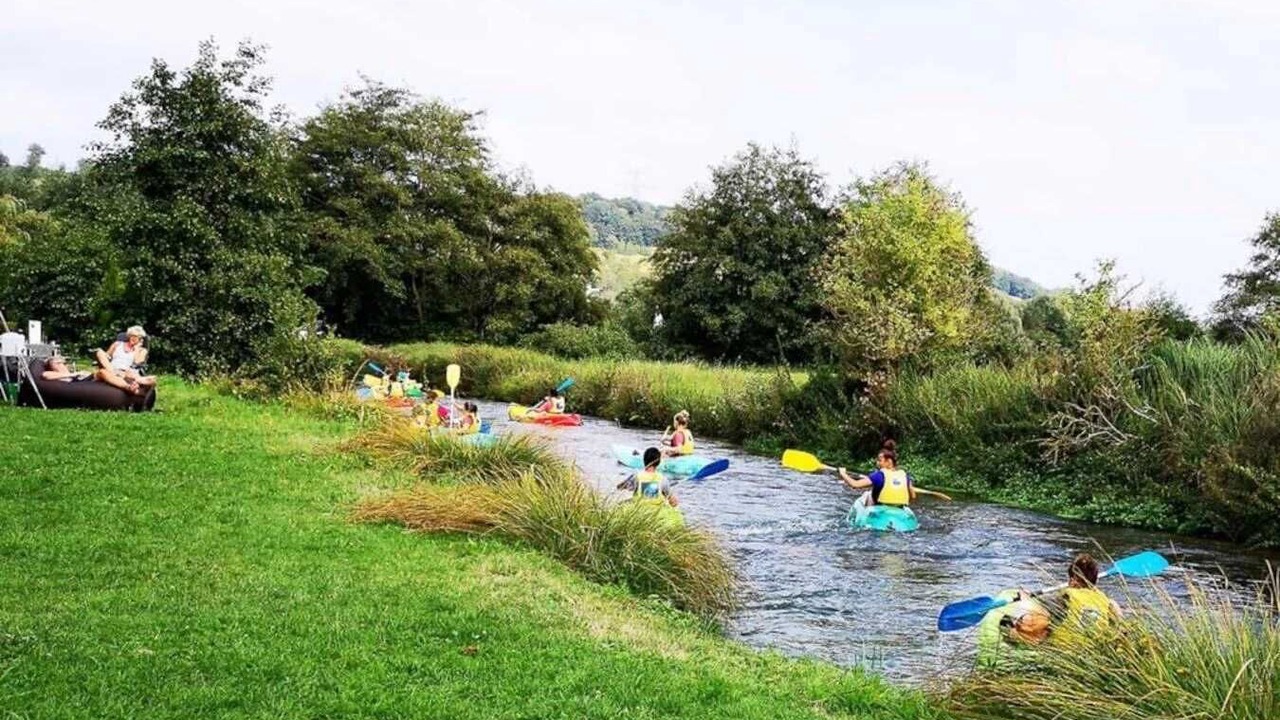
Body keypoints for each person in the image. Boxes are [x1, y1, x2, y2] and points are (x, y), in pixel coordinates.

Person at [1033, 553, 1123, 645]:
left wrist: (1026, 596)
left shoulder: (1065, 597)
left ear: (1073, 579)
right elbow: (1119, 630)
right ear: (1096, 580)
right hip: (1093, 650)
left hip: (1064, 650)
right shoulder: (1107, 602)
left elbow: (1034, 607)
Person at [837, 440, 914, 508]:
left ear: (889, 461)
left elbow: (855, 484)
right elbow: (913, 496)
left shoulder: (879, 475)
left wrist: (843, 473)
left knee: (867, 495)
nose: (877, 463)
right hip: (899, 510)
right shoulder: (905, 476)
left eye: (880, 460)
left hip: (880, 510)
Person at [94, 326, 155, 395]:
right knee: (99, 352)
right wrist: (102, 357)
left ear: (141, 339)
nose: (133, 338)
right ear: (129, 336)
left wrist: (136, 349)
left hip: (128, 373)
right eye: (132, 335)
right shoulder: (117, 344)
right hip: (112, 369)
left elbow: (137, 362)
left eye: (136, 336)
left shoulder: (142, 350)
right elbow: (107, 357)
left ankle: (130, 385)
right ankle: (127, 384)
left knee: (152, 380)